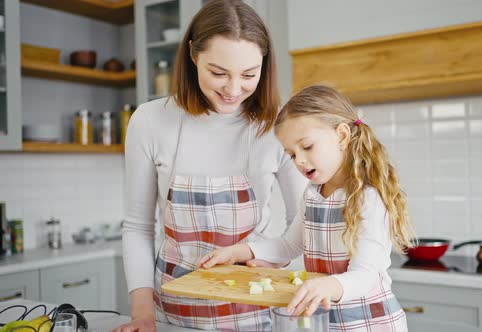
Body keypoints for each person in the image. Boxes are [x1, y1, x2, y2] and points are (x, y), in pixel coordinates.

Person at [114, 1, 307, 331]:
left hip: (253, 311)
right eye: (218, 73)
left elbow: (302, 224)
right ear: (192, 54)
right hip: (171, 313)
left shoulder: (280, 123)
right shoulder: (149, 121)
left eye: (249, 75)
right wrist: (142, 315)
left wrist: (273, 267)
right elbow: (137, 227)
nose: (233, 90)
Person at [199, 85, 414, 331]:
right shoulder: (313, 194)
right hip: (325, 319)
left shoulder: (368, 198)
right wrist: (241, 251)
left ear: (342, 136)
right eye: (291, 154)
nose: (299, 160)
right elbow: (289, 245)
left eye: (307, 147)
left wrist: (326, 286)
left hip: (369, 322)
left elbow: (366, 275)